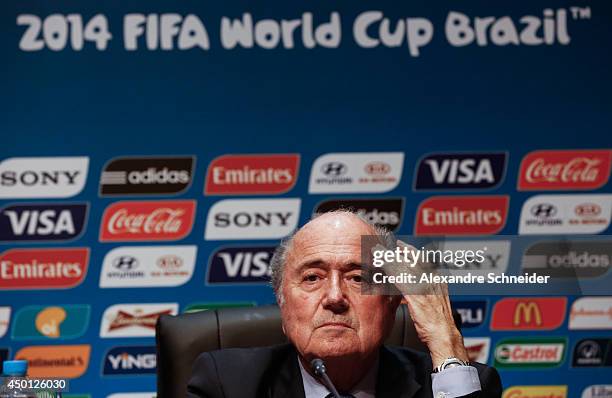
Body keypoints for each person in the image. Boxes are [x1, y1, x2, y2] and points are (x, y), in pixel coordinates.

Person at [187, 211, 502, 397]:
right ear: (283, 305)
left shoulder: (458, 385)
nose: (335, 297)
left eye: (357, 277)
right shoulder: (227, 385)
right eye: (312, 278)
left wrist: (446, 343)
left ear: (392, 303)